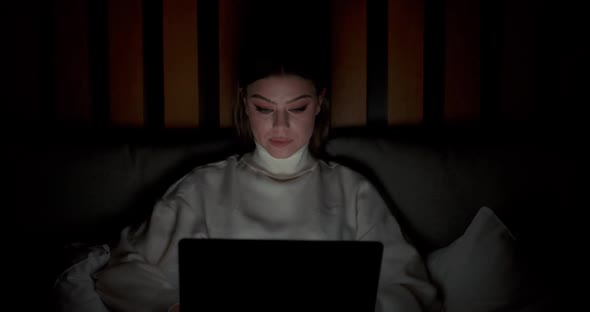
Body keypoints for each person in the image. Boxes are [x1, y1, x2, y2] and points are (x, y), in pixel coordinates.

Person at [93, 52, 438, 312]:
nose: (280, 126)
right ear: (244, 103)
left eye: (297, 108)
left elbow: (410, 288)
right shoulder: (200, 189)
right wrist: (170, 306)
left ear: (319, 102)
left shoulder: (354, 191)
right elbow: (118, 273)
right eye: (264, 109)